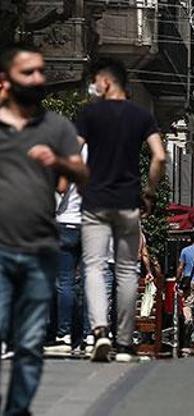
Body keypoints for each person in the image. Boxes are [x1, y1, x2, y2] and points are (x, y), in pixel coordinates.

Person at [0, 43, 88, 415]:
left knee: (32, 340)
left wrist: (59, 162)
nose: (38, 79)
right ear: (7, 81)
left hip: (40, 244)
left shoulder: (56, 127)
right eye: (28, 72)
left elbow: (84, 175)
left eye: (41, 71)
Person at [78, 57, 166, 363]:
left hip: (95, 203)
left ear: (104, 82)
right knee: (127, 270)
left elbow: (73, 152)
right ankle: (126, 342)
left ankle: (100, 332)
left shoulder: (90, 114)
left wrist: (80, 181)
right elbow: (159, 157)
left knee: (94, 266)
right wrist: (149, 193)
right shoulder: (141, 116)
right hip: (129, 203)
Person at [47, 144, 88, 353]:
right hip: (92, 222)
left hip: (67, 221)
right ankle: (91, 335)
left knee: (65, 282)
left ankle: (64, 334)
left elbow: (61, 187)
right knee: (92, 280)